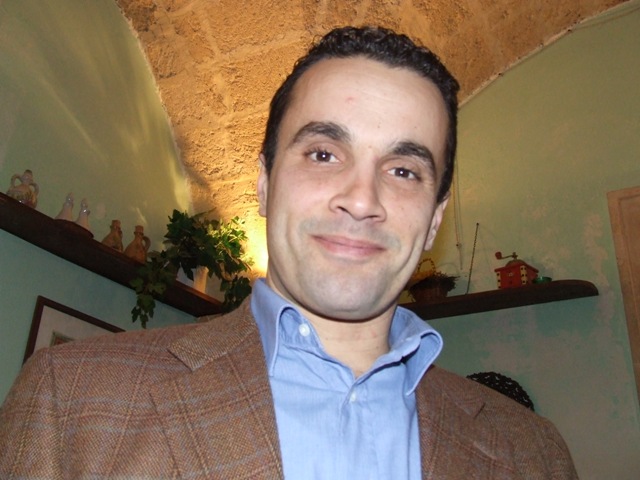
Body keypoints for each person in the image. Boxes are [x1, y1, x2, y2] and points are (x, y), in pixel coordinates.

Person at [0, 26, 577, 479]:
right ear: (265, 183)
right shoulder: (71, 400)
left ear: (434, 220)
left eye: (403, 170)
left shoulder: (533, 452)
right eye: (324, 154)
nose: (362, 199)